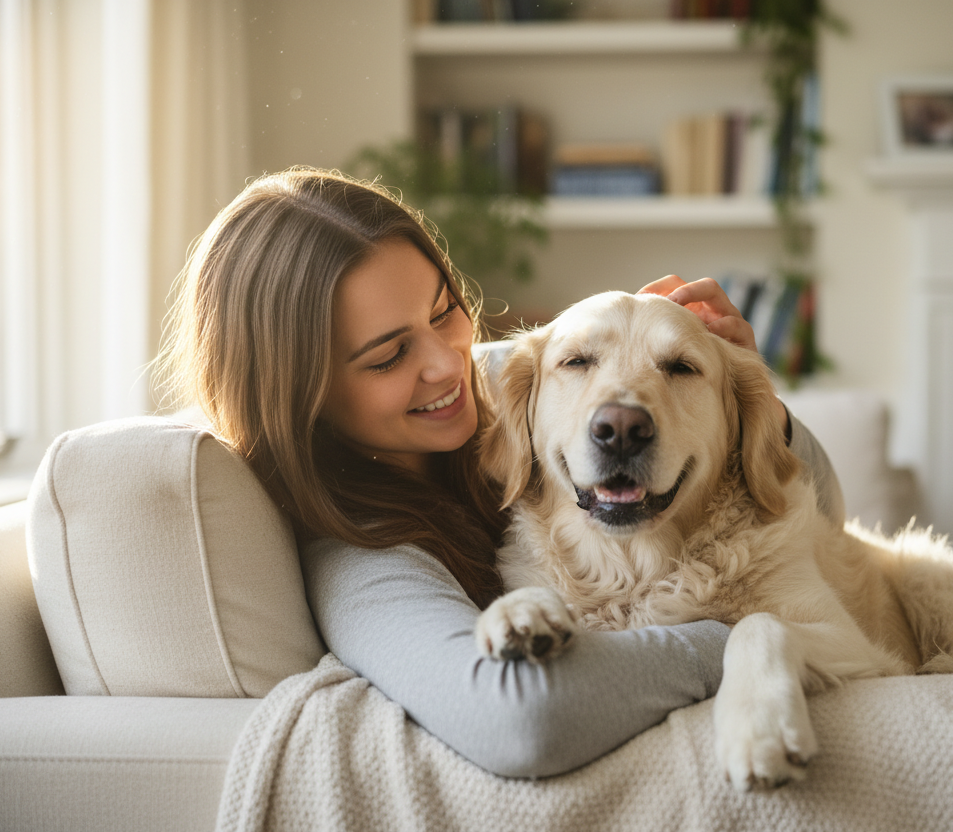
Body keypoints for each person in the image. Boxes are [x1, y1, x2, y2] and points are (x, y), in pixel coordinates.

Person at [158, 167, 842, 778]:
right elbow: (517, 719)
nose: (449, 363)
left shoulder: (515, 381)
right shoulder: (357, 554)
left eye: (441, 312)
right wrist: (744, 637)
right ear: (302, 398)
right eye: (389, 355)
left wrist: (746, 408)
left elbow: (827, 521)